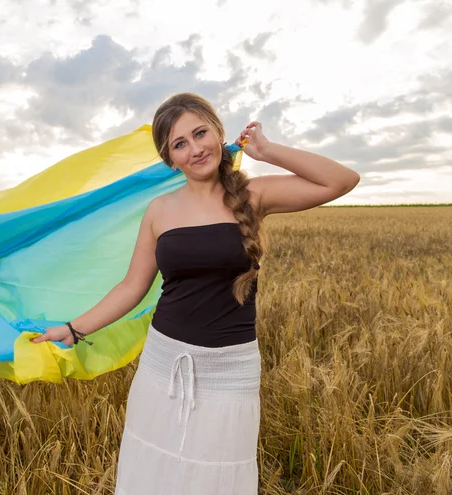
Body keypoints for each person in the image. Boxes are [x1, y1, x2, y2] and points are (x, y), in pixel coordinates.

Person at [32, 93, 360, 494]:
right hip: (163, 363)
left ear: (219, 133)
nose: (195, 149)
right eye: (179, 144)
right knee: (153, 472)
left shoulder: (254, 196)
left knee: (217, 475)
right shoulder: (160, 210)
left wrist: (267, 150)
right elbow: (133, 286)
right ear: (171, 160)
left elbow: (341, 180)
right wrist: (73, 328)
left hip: (231, 369)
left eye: (200, 133)